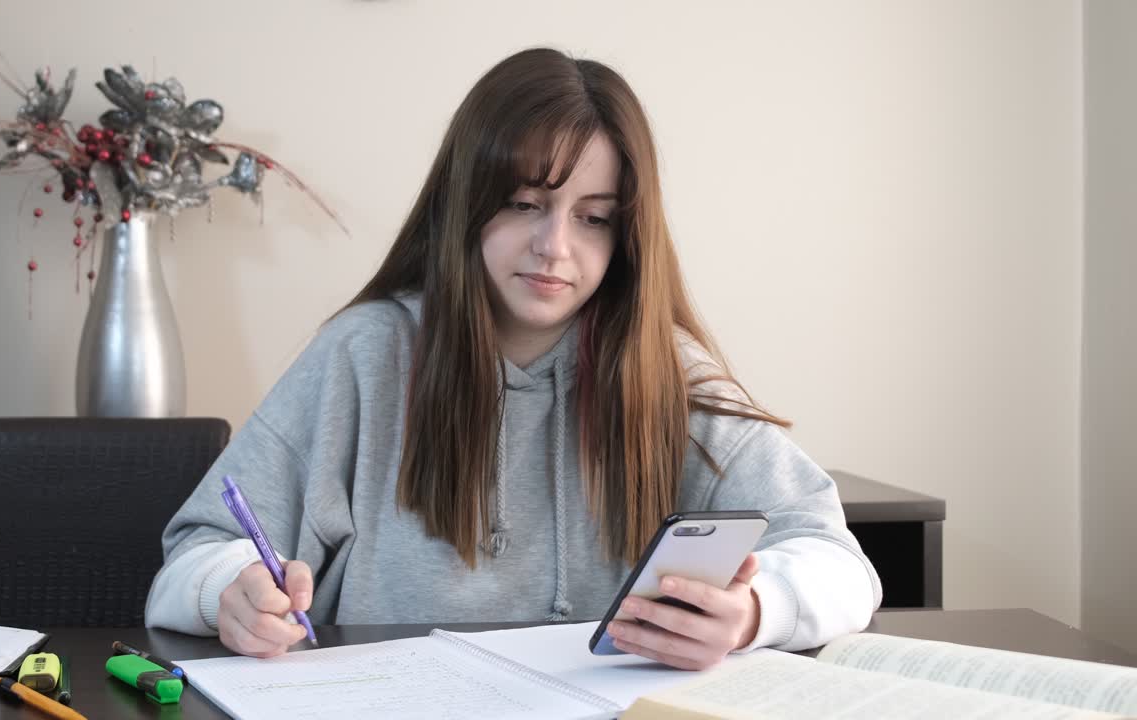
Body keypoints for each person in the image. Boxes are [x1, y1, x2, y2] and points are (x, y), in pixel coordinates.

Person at [145, 47, 880, 671]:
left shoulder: (666, 373)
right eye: (526, 203)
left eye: (594, 219)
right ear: (465, 201)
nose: (555, 246)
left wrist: (756, 609)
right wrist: (227, 590)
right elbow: (194, 554)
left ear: (627, 237)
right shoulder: (365, 356)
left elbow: (838, 561)